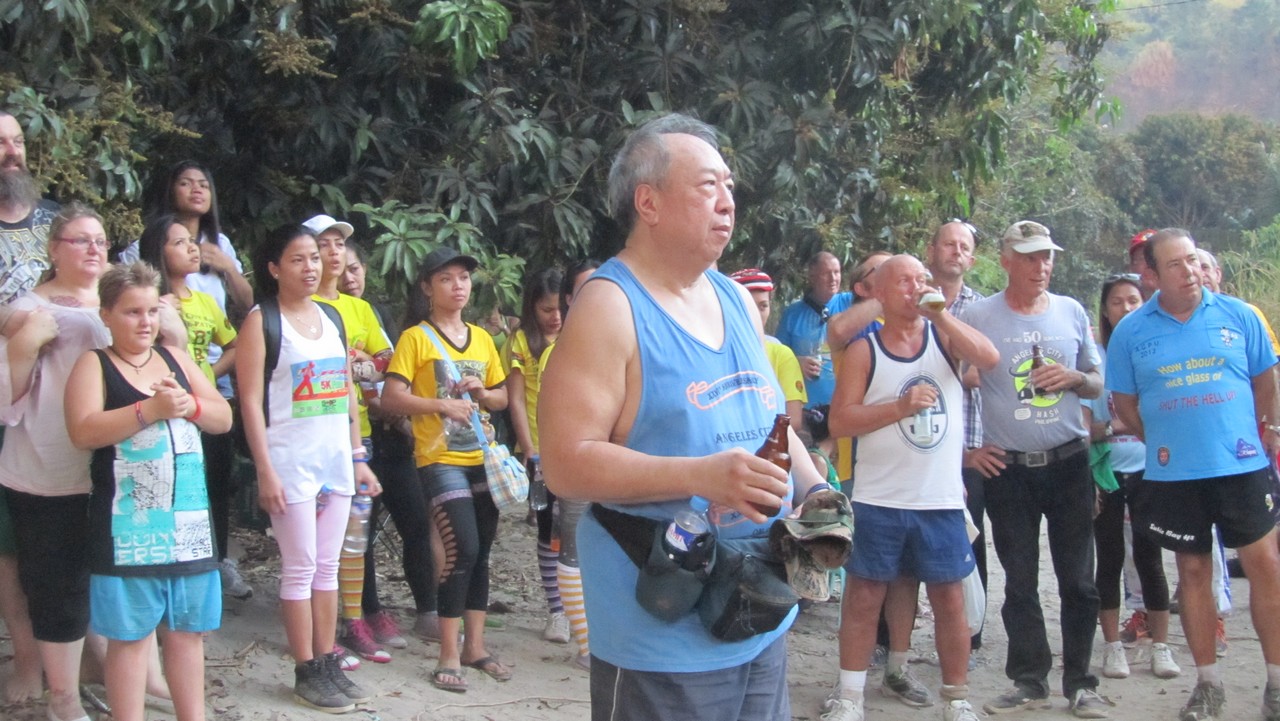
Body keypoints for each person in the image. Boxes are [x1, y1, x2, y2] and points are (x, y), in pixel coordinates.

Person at [539, 112, 827, 721]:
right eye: (707, 186)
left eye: (729, 186)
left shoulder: (735, 300)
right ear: (648, 202)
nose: (727, 202)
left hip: (758, 608)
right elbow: (565, 464)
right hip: (661, 628)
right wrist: (701, 475)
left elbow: (771, 421)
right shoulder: (610, 306)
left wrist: (816, 490)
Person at [1106, 228, 1280, 721]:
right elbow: (1126, 405)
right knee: (1194, 572)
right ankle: (1208, 685)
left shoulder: (1240, 315)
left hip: (1242, 464)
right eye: (1175, 265)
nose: (1190, 272)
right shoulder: (1131, 332)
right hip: (1176, 474)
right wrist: (1167, 440)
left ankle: (1275, 682)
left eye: (1193, 260)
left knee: (1266, 565)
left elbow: (1265, 379)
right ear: (1152, 275)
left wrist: (1259, 430)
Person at [824, 254, 998, 721]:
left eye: (921, 279)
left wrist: (941, 315)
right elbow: (840, 421)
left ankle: (956, 700)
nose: (916, 287)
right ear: (879, 293)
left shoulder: (945, 339)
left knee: (949, 599)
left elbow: (990, 358)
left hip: (939, 498)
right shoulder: (865, 350)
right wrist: (898, 408)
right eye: (904, 281)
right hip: (878, 496)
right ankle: (850, 698)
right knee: (864, 597)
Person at [64, 261, 233, 721]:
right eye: (132, 312)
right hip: (129, 529)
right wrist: (148, 410)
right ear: (106, 315)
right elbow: (82, 431)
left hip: (189, 526)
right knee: (130, 638)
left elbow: (222, 418)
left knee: (188, 633)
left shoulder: (176, 358)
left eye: (152, 311)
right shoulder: (94, 363)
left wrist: (188, 403)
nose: (145, 322)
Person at [958, 220, 1110, 718]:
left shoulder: (1071, 310)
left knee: (1078, 580)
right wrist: (966, 452)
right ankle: (1029, 679)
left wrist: (1075, 377)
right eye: (1028, 256)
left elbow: (1097, 381)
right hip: (1009, 468)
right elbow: (949, 380)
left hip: (1068, 461)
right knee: (1019, 580)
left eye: (1046, 256)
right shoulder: (978, 315)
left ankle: (1081, 682)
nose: (1040, 266)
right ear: (1005, 260)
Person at [235, 224, 380, 714]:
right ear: (274, 268)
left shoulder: (333, 317)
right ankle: (305, 669)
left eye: (314, 257)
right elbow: (249, 403)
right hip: (289, 463)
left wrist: (357, 457)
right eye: (297, 259)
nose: (310, 267)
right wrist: (265, 470)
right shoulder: (262, 321)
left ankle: (326, 660)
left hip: (334, 461)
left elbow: (345, 391)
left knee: (327, 567)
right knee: (299, 569)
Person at [381, 247, 511, 694]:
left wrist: (483, 393)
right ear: (427, 287)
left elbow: (502, 397)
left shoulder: (482, 338)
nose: (458, 286)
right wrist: (441, 404)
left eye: (463, 278)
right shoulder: (415, 338)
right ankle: (448, 654)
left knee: (483, 552)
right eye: (446, 279)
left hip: (481, 456)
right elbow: (391, 397)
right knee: (462, 549)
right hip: (438, 459)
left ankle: (476, 647)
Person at [0, 203, 112, 721]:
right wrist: (24, 346)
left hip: (113, 468)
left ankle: (104, 669)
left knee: (106, 577)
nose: (94, 249)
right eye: (81, 240)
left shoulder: (125, 303)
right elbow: (5, 397)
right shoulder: (28, 310)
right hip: (45, 468)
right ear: (53, 250)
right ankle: (61, 696)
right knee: (54, 582)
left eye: (101, 241)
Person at [123, 160, 255, 600]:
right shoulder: (149, 300)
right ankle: (162, 563)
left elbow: (237, 334)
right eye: (185, 182)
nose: (197, 190)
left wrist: (206, 375)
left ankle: (213, 563)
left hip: (209, 397)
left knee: (213, 482)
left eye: (204, 183)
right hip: (157, 403)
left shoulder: (216, 261)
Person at [301, 213, 399, 664]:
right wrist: (356, 365)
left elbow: (387, 359)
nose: (334, 252)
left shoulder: (359, 309)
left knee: (355, 535)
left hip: (356, 434)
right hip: (307, 437)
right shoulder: (297, 306)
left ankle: (354, 621)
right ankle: (313, 634)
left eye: (339, 243)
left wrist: (358, 363)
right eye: (324, 243)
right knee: (312, 539)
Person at [337, 242, 441, 647]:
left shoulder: (374, 312)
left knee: (414, 519)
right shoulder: (327, 314)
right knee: (360, 530)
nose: (349, 277)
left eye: (355, 268)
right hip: (358, 436)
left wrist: (397, 411)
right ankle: (369, 611)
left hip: (394, 437)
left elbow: (392, 366)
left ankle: (428, 610)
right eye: (342, 269)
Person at [1084, 273, 1179, 681]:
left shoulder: (1155, 352)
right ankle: (1111, 648)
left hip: (1150, 469)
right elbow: (1087, 428)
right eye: (1117, 302)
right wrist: (1122, 425)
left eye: (1133, 300)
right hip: (1106, 472)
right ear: (1105, 311)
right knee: (1108, 559)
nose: (1126, 308)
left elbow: (1168, 414)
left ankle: (1161, 647)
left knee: (1150, 558)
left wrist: (1117, 425)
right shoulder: (1095, 359)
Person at [0, 107, 59, 704]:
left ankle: (81, 657)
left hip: (61, 393)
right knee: (6, 538)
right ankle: (25, 657)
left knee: (65, 523)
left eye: (17, 140)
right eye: (0, 143)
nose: (11, 152)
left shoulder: (57, 223)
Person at [536, 259, 600, 671]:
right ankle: (587, 647)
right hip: (579, 466)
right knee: (574, 548)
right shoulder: (558, 354)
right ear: (570, 299)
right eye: (586, 290)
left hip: (622, 466)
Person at [506, 267, 569, 645]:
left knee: (579, 529)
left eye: (560, 307)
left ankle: (579, 607)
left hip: (576, 448)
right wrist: (529, 449)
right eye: (546, 309)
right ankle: (556, 610)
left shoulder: (578, 336)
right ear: (532, 307)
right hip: (540, 452)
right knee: (550, 530)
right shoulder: (520, 342)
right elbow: (515, 399)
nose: (555, 316)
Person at [729, 267, 807, 430]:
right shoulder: (715, 353)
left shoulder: (781, 354)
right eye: (748, 307)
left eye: (763, 306)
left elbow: (793, 419)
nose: (756, 315)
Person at [776, 251, 853, 411]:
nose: (833, 278)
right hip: (806, 407)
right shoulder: (792, 314)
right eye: (826, 273)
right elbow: (777, 357)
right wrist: (796, 362)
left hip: (845, 404)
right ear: (812, 277)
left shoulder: (850, 303)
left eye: (837, 272)